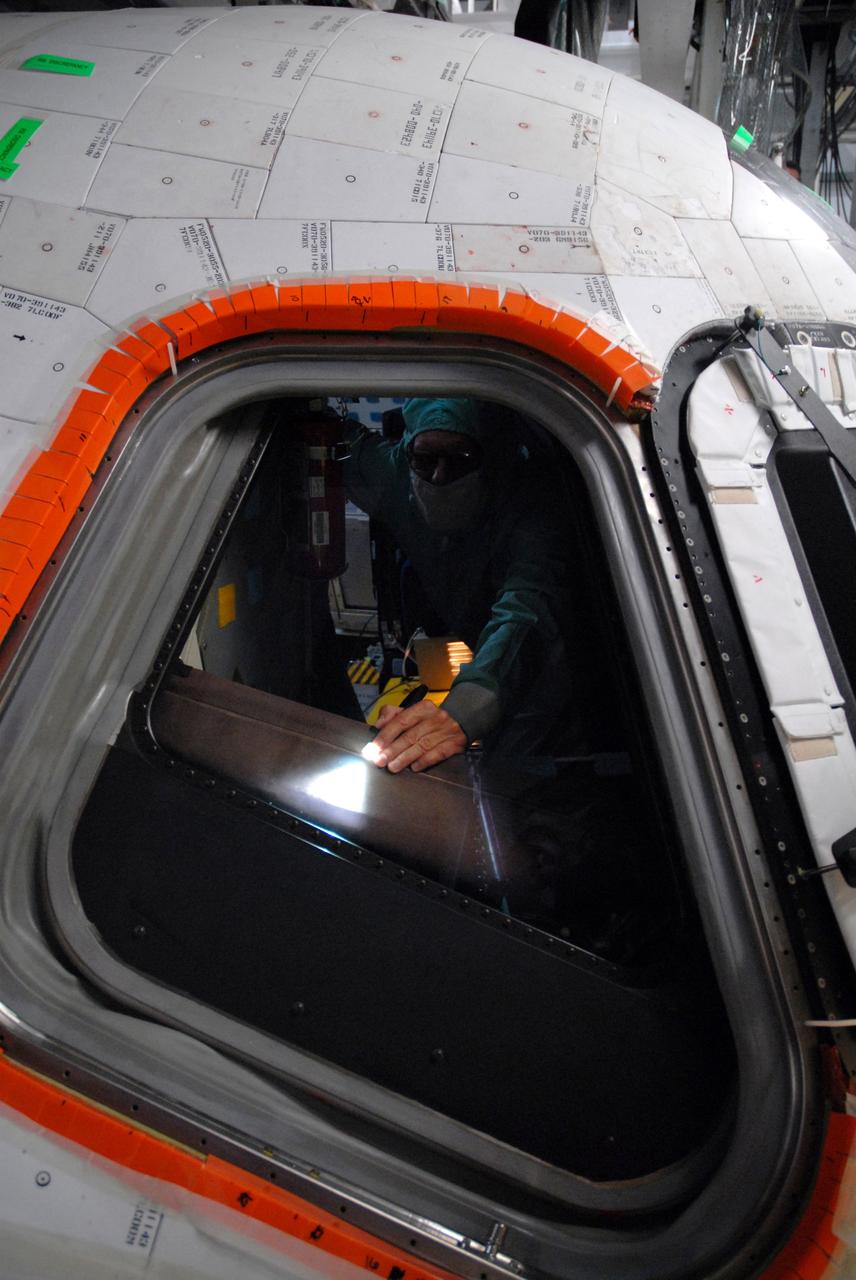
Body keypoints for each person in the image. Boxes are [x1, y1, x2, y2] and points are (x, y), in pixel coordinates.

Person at [345, 398, 581, 774]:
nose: (438, 476)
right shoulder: (395, 474)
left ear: (494, 459)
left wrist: (468, 707)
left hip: (527, 671)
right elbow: (344, 446)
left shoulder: (528, 504)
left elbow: (527, 606)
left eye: (460, 460)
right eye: (426, 458)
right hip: (459, 637)